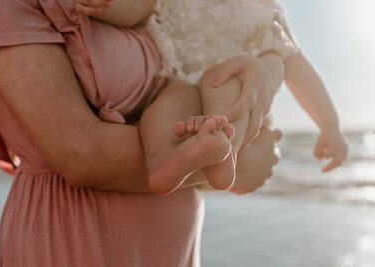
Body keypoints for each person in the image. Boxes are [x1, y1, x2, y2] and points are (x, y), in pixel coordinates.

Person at [0, 0, 282, 266]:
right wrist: (243, 159)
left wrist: (263, 73)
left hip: (174, 241)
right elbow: (79, 154)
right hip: (75, 233)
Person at [75, 0, 349, 194]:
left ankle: (224, 154)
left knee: (224, 86)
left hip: (235, 87)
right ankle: (162, 162)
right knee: (164, 109)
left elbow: (298, 67)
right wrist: (103, 5)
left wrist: (329, 124)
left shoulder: (265, 10)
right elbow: (133, 8)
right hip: (180, 80)